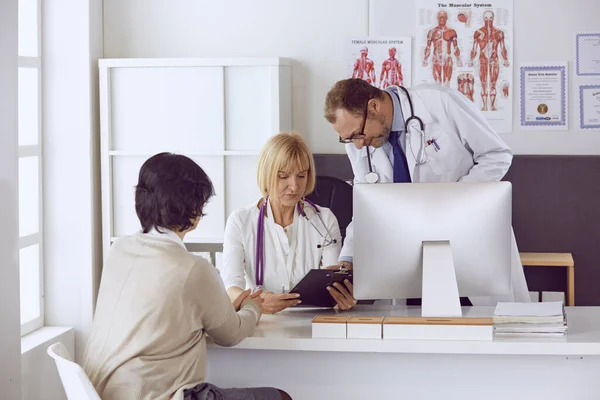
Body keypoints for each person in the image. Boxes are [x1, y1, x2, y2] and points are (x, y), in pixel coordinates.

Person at [83, 153, 291, 400]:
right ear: (193, 209)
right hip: (159, 396)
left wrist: (222, 309)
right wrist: (252, 306)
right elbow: (231, 334)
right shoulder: (193, 268)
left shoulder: (119, 250)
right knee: (279, 397)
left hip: (97, 392)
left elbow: (161, 316)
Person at [323, 78, 530, 304]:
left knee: (478, 324)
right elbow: (366, 206)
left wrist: (452, 201)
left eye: (357, 134)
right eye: (348, 139)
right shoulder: (360, 145)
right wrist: (348, 257)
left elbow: (497, 155)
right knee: (416, 331)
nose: (358, 145)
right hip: (408, 253)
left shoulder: (439, 103)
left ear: (374, 106)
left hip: (467, 237)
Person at [220, 133, 356, 313]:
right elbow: (231, 288)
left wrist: (343, 298)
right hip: (260, 322)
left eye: (301, 176)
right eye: (283, 176)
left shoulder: (324, 219)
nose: (294, 186)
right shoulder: (240, 221)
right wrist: (256, 301)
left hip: (313, 321)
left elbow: (331, 283)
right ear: (266, 174)